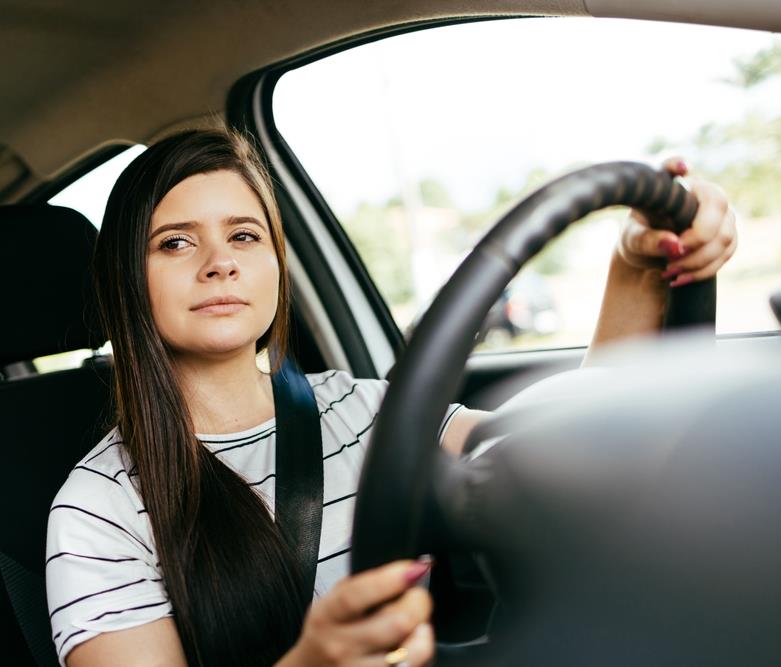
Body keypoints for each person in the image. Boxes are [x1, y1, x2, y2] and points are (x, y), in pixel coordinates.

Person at [45, 127, 737, 666]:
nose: (220, 261)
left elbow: (570, 449)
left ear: (275, 262)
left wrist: (636, 263)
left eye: (244, 235)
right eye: (175, 243)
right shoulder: (99, 511)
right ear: (127, 280)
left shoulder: (363, 411)